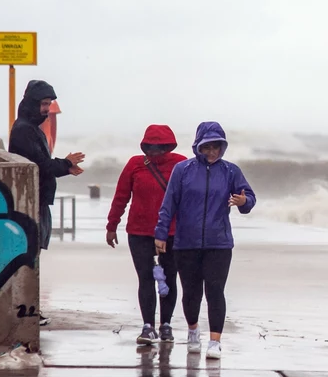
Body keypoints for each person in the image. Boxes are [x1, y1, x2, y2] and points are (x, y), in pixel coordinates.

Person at [154, 122, 255, 359]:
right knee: (191, 291)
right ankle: (192, 331)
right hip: (186, 243)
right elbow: (169, 204)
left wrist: (244, 202)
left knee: (215, 291)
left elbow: (248, 197)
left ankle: (215, 341)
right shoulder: (183, 170)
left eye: (216, 147)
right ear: (197, 146)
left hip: (218, 243)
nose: (211, 152)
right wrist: (161, 233)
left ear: (223, 147)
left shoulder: (231, 171)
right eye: (207, 147)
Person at [106, 125, 187, 345]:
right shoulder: (135, 164)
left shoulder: (181, 164)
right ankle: (148, 326)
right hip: (139, 232)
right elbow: (121, 196)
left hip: (172, 233)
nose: (154, 151)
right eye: (150, 147)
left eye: (160, 147)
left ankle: (167, 325)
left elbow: (191, 199)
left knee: (169, 278)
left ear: (169, 146)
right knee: (146, 278)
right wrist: (111, 224)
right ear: (144, 145)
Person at [8, 80, 85, 252]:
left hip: (37, 201)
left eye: (49, 104)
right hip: (31, 202)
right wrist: (66, 163)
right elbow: (39, 165)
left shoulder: (31, 128)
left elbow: (40, 163)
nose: (47, 109)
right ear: (32, 103)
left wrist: (66, 168)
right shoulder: (24, 129)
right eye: (44, 104)